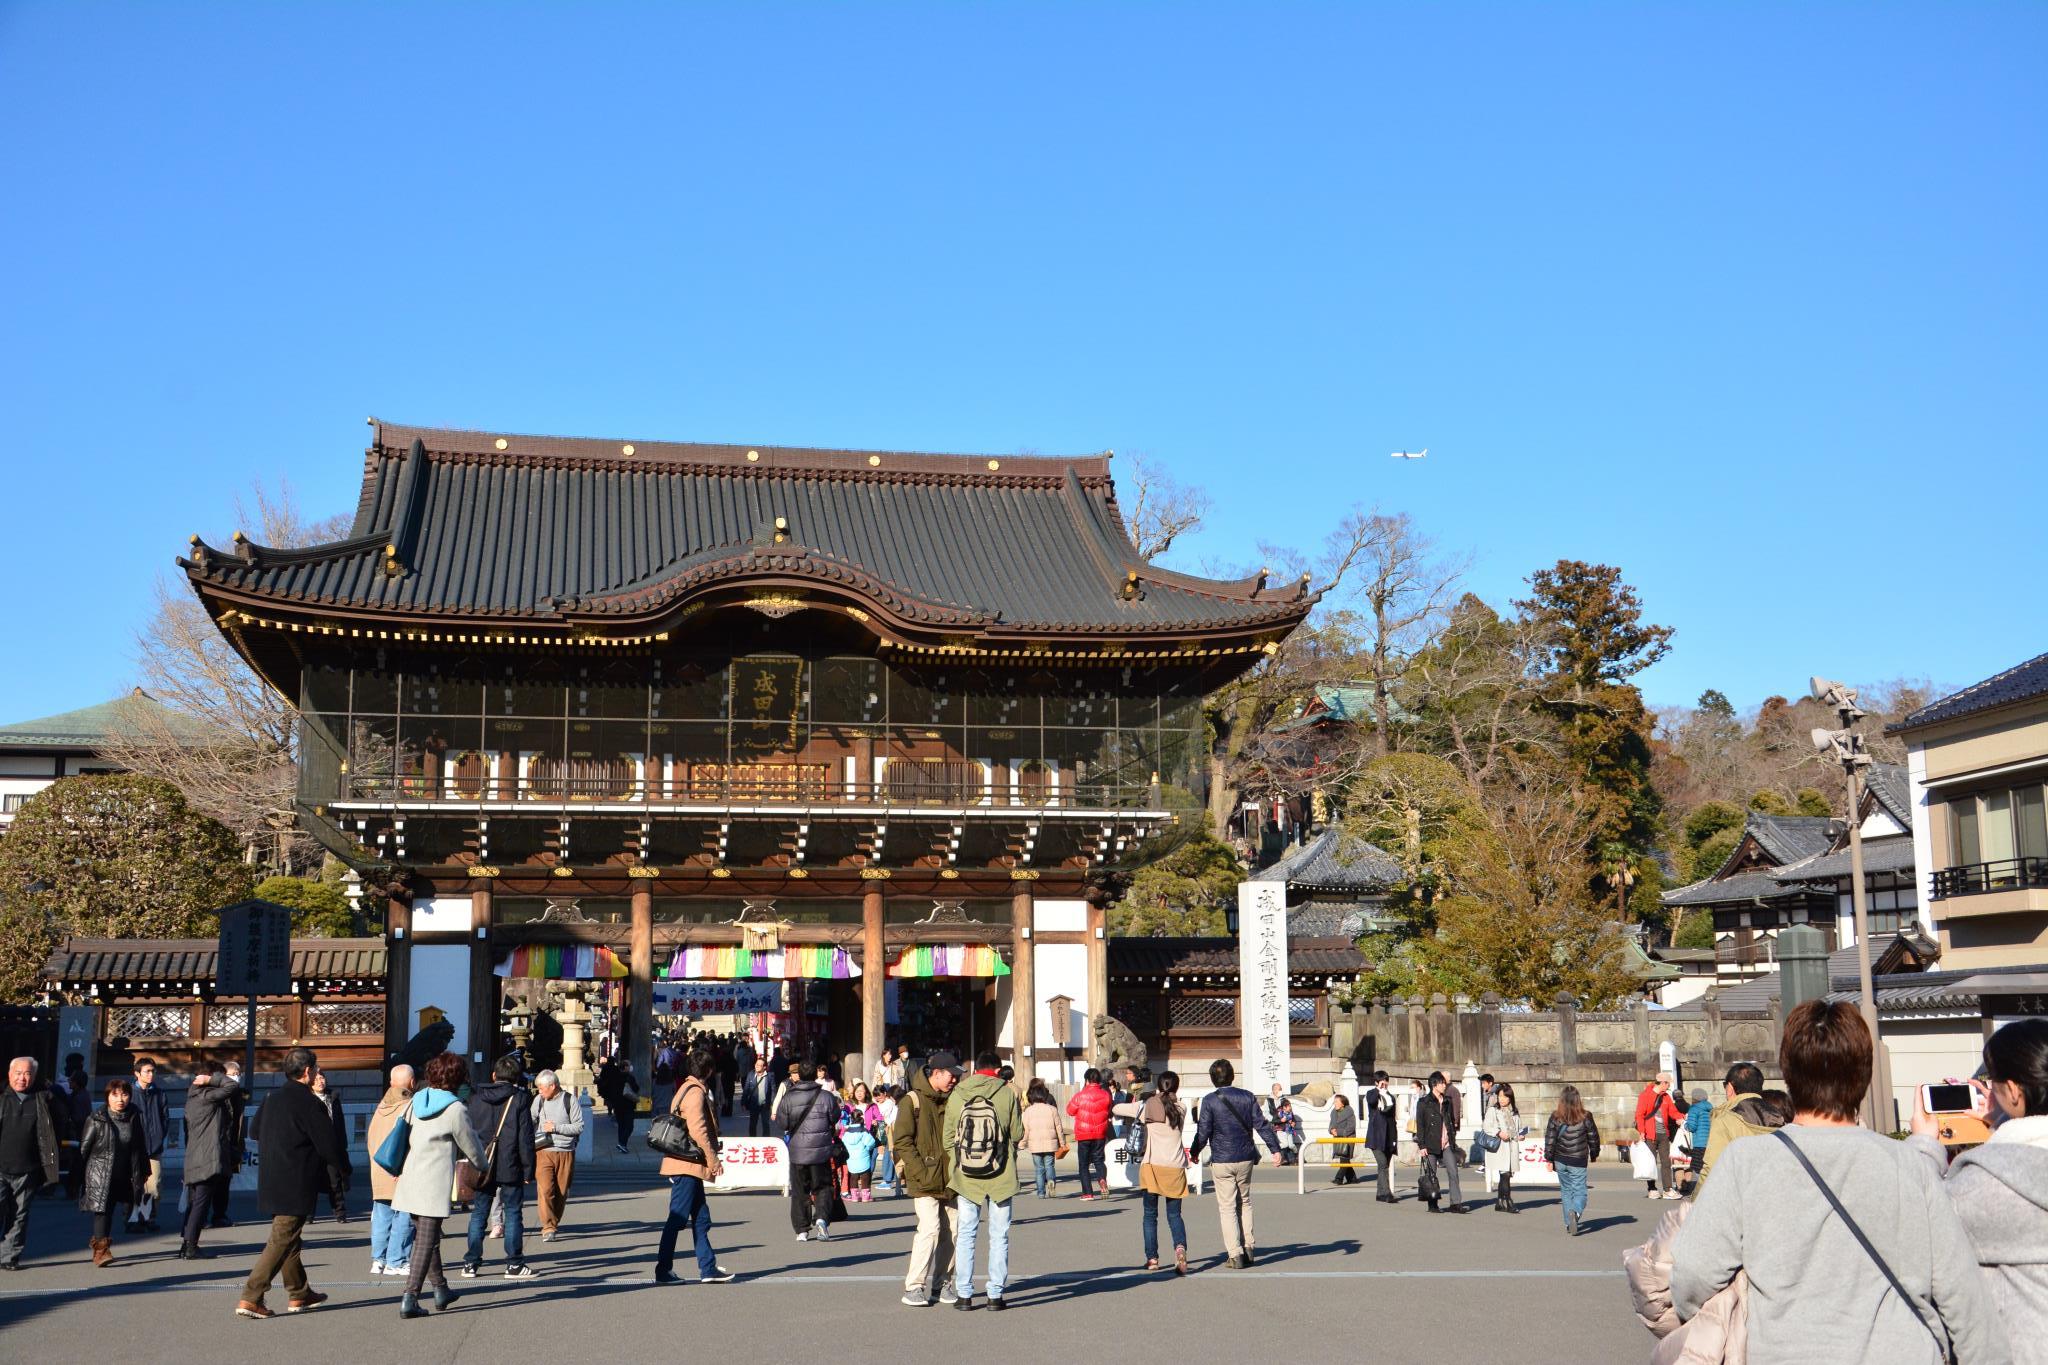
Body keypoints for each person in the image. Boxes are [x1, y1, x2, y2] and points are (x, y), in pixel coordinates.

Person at [1672, 1001, 2002, 1365]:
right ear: (1864, 1075)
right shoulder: (1910, 1166)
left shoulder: (1746, 1162)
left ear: (1788, 1073)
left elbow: (1692, 1273)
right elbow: (1964, 1300)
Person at [1909, 1017, 2048, 1364]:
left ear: (2013, 1090)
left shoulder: (1983, 1184)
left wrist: (1924, 1145)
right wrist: (2002, 1119)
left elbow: (1921, 1222)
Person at [235, 1047, 347, 1318]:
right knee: (281, 1239)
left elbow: (254, 1131)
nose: (318, 1073)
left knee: (289, 1238)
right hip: (296, 1178)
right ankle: (251, 1296)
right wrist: (345, 1169)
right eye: (316, 1069)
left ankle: (299, 1292)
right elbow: (328, 1144)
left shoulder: (272, 1097)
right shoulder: (309, 1103)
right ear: (307, 1072)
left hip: (271, 1176)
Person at [391, 1052, 485, 1319]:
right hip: (433, 1183)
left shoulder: (417, 1099)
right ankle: (410, 1298)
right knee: (425, 1241)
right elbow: (471, 1145)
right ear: (458, 1078)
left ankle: (441, 1289)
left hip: (411, 1177)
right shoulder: (455, 1109)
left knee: (427, 1239)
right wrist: (484, 1165)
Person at [946, 1049, 1023, 1310]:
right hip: (1001, 1175)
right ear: (998, 1070)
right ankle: (995, 1296)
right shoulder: (1006, 1093)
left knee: (966, 1234)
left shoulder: (958, 1093)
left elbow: (948, 1137)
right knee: (999, 1236)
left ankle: (964, 1295)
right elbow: (1017, 1133)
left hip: (967, 1177)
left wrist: (959, 1162)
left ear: (975, 1069)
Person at [1189, 1059, 1283, 1269]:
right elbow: (1262, 1125)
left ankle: (1235, 1254)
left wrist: (1195, 1152)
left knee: (1227, 1207)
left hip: (1222, 1158)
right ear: (1232, 1076)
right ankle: (1248, 1247)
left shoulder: (1209, 1101)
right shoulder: (1247, 1097)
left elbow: (1203, 1131)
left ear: (1213, 1079)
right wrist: (1275, 1149)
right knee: (1245, 1202)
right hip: (1245, 1156)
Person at [654, 1049, 734, 1284]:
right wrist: (713, 1160)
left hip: (687, 1163)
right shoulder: (696, 1093)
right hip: (687, 1163)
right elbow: (698, 1131)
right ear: (708, 1071)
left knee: (701, 1218)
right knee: (677, 1218)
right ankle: (663, 1270)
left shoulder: (684, 1088)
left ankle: (707, 1268)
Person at [892, 1051, 961, 1307]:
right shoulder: (911, 1100)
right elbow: (902, 1140)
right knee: (930, 1229)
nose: (955, 1080)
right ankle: (914, 1286)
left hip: (951, 1177)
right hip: (924, 1179)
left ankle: (942, 1283)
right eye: (951, 1075)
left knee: (953, 1232)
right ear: (937, 1073)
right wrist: (920, 1171)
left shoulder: (955, 1099)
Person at [462, 1054, 538, 1279]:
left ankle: (470, 1263)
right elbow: (525, 1137)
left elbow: (467, 1131)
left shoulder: (476, 1098)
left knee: (479, 1213)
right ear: (516, 1077)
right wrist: (528, 1168)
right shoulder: (520, 1099)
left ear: (494, 1075)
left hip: (482, 1162)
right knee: (513, 1212)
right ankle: (514, 1264)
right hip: (510, 1162)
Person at [1115, 1069, 1193, 1273]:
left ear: (1158, 1086)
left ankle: (1152, 1259)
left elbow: (1117, 1108)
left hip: (1152, 1166)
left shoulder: (1147, 1106)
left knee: (1150, 1215)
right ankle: (1180, 1248)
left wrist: (1140, 1101)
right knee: (1174, 1215)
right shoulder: (1182, 1108)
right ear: (1176, 1087)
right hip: (1175, 1167)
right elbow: (1170, 1105)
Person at [78, 1077, 149, 1268]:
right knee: (103, 1211)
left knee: (119, 1209)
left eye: (124, 1095)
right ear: (107, 1097)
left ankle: (102, 1246)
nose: (120, 1099)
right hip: (101, 1173)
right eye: (115, 1095)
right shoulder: (96, 1118)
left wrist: (144, 1170)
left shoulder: (134, 1116)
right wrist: (80, 1178)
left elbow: (140, 1146)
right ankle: (101, 1252)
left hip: (125, 1173)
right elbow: (84, 1149)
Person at [0, 1057, 60, 1272]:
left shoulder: (44, 1101)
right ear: (9, 1074)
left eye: (27, 1074)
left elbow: (55, 1131)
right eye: (18, 1073)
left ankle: (9, 1256)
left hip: (28, 1169)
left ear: (34, 1077)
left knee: (19, 1214)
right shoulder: (2, 1099)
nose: (21, 1078)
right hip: (1, 1167)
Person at [179, 1061, 241, 1259]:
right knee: (201, 1204)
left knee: (195, 1202)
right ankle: (191, 1245)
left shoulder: (194, 1096)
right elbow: (232, 1086)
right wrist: (212, 1079)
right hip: (208, 1157)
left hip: (196, 1155)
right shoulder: (207, 1096)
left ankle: (186, 1243)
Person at [776, 1060, 838, 1242]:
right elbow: (835, 1116)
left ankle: (802, 1229)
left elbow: (782, 1123)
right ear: (814, 1074)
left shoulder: (789, 1098)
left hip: (798, 1152)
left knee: (799, 1191)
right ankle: (821, 1218)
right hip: (821, 1151)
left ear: (799, 1076)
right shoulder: (826, 1096)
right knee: (823, 1187)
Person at [365, 1063, 416, 1279]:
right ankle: (397, 1261)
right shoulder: (410, 1106)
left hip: (379, 1169)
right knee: (403, 1217)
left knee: (381, 1217)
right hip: (399, 1170)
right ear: (412, 1082)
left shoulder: (381, 1106)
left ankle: (379, 1260)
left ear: (391, 1083)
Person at [1697, 1060, 1773, 1185]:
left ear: (1730, 1088)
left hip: (1737, 1192)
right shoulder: (1779, 1115)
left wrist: (1697, 1197)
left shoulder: (1725, 1120)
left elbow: (1712, 1169)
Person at [530, 1069, 582, 1242]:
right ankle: (548, 1227)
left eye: (542, 1088)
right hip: (543, 1150)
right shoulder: (538, 1100)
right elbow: (530, 1121)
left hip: (565, 1151)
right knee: (545, 1190)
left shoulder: (569, 1100)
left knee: (561, 1192)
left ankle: (554, 1221)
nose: (539, 1091)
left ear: (552, 1086)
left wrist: (555, 1127)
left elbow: (579, 1126)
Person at [1544, 1085, 1600, 1237]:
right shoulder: (1586, 1116)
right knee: (1580, 1191)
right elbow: (1593, 1137)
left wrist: (1549, 1158)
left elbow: (1550, 1139)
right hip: (1578, 1159)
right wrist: (1594, 1154)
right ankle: (1575, 1212)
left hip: (1560, 1159)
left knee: (1566, 1191)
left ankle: (1569, 1223)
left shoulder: (1555, 1116)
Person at [128, 1057, 171, 1233]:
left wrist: (159, 1136)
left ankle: (149, 1217)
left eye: (153, 1071)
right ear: (137, 1073)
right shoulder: (129, 1093)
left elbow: (165, 1118)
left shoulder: (159, 1093)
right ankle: (132, 1218)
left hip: (154, 1147)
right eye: (147, 1071)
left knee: (154, 1186)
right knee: (134, 1186)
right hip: (133, 1149)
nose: (151, 1074)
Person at [1414, 1071, 1463, 1214]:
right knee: (1431, 1175)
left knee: (1453, 1171)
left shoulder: (1447, 1100)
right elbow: (1420, 1125)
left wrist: (1452, 1137)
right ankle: (1433, 1204)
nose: (1444, 1085)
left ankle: (1455, 1203)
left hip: (1446, 1143)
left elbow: (1450, 1120)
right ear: (1434, 1085)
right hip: (1430, 1143)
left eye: (1444, 1082)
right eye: (1441, 1083)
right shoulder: (1424, 1102)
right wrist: (1422, 1145)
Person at [309, 1069, 352, 1222]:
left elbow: (340, 1123)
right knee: (311, 1181)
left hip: (332, 1145)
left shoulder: (333, 1097)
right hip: (313, 1146)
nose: (320, 1082)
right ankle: (308, 1215)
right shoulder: (307, 1098)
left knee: (335, 1181)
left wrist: (342, 1144)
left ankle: (340, 1213)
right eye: (316, 1079)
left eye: (322, 1078)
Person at [1635, 1071, 1684, 1201]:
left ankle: (1668, 1189)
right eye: (1668, 1084)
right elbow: (1639, 1115)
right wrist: (1641, 1132)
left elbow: (1673, 1112)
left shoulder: (1666, 1097)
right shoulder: (1645, 1095)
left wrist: (1682, 1117)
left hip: (1663, 1134)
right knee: (1650, 1163)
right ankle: (1652, 1189)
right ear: (1663, 1083)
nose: (1669, 1086)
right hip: (1649, 1134)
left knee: (1666, 1162)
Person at [1066, 1067, 1113, 1201]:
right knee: (1098, 1160)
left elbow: (1070, 1110)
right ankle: (1102, 1179)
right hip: (1100, 1133)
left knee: (1084, 1164)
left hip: (1084, 1133)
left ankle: (1088, 1193)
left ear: (1086, 1080)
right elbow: (1110, 1111)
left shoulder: (1080, 1095)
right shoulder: (1106, 1094)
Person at [214, 1057, 248, 1226]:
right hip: (217, 1144)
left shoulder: (239, 1095)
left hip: (232, 1144)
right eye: (233, 1074)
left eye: (239, 1073)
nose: (237, 1077)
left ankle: (220, 1214)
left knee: (225, 1182)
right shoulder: (218, 1094)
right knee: (211, 1183)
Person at [1021, 1079, 1066, 1198]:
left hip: (1035, 1144)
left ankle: (1041, 1192)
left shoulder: (1028, 1111)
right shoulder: (1052, 1109)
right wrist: (1062, 1143)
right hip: (1050, 1143)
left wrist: (1022, 1143)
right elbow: (1059, 1128)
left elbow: (1025, 1130)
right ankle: (1051, 1181)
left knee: (1039, 1169)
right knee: (1049, 1165)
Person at [1483, 1082, 1521, 1213]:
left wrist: (1520, 1135)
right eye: (1500, 1096)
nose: (1502, 1099)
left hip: (1512, 1146)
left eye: (1505, 1096)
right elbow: (1486, 1126)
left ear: (1510, 1098)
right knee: (1505, 1174)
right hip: (1500, 1147)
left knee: (1506, 1175)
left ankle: (1499, 1202)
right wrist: (1499, 1133)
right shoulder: (1493, 1110)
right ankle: (1508, 1201)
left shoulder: (1514, 1112)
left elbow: (1517, 1129)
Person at [1364, 1070, 1399, 1202]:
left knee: (1384, 1165)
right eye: (1382, 1082)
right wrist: (1379, 1090)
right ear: (1376, 1082)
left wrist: (1394, 1138)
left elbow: (1392, 1118)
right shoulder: (1371, 1093)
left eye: (1386, 1081)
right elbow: (1372, 1101)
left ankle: (1380, 1194)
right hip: (1376, 1136)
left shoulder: (1391, 1097)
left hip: (1389, 1136)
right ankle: (1387, 1193)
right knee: (1383, 1164)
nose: (1385, 1084)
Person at [595, 1053, 638, 1155]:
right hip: (628, 1104)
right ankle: (622, 1143)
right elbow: (636, 1088)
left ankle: (621, 1144)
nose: (630, 1067)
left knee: (621, 1125)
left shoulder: (614, 1076)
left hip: (617, 1104)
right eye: (629, 1065)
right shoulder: (629, 1077)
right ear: (626, 1067)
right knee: (629, 1126)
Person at [842, 1107, 879, 1203]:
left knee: (853, 1177)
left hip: (851, 1158)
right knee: (865, 1176)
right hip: (863, 1156)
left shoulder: (847, 1132)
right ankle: (865, 1197)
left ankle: (854, 1196)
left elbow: (843, 1142)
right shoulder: (863, 1131)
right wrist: (867, 1148)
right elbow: (871, 1142)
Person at [1327, 1094, 1358, 1186]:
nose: (1335, 1103)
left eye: (1337, 1101)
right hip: (1338, 1139)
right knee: (1345, 1159)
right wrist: (1331, 1130)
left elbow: (1351, 1127)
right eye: (1334, 1101)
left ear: (1343, 1103)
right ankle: (1352, 1178)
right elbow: (1331, 1125)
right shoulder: (1333, 1112)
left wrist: (1339, 1132)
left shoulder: (1349, 1112)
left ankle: (1338, 1179)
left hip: (1348, 1138)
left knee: (1344, 1159)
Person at [875, 1085, 900, 1192]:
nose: (877, 1098)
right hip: (888, 1129)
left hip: (890, 1129)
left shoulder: (890, 1103)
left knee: (888, 1154)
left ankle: (888, 1180)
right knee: (889, 1154)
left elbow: (884, 1116)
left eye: (879, 1095)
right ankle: (890, 1179)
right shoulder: (892, 1104)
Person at [743, 1058, 775, 1138]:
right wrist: (743, 1102)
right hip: (754, 1104)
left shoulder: (769, 1076)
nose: (757, 1066)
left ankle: (766, 1140)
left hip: (765, 1104)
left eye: (759, 1065)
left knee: (765, 1124)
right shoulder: (751, 1075)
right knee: (752, 1124)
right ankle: (752, 1140)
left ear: (764, 1067)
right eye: (756, 1064)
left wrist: (773, 1104)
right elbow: (746, 1089)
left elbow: (773, 1090)